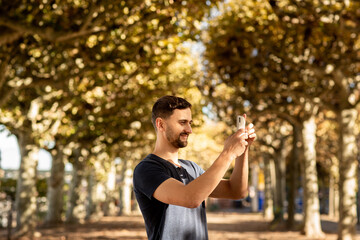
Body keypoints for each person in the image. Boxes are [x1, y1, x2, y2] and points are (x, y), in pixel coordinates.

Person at [133, 95, 256, 240]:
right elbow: (190, 198)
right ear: (161, 124)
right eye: (183, 122)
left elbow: (236, 191)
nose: (189, 129)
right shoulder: (147, 169)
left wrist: (242, 150)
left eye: (190, 122)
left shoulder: (191, 167)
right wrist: (228, 153)